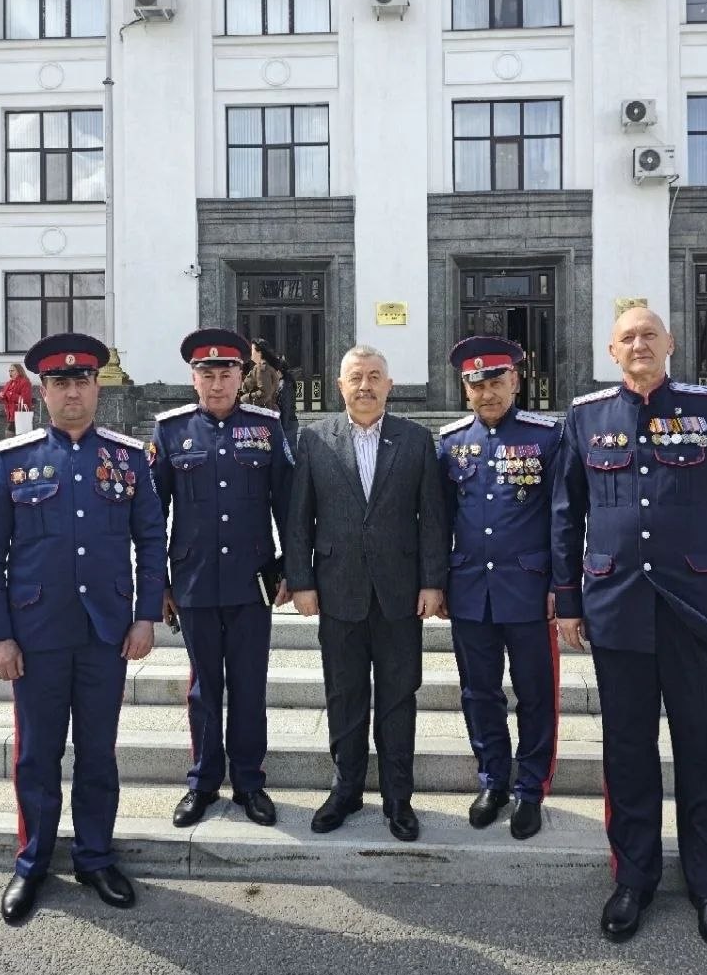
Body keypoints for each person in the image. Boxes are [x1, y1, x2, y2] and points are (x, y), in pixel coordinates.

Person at [551, 306, 707, 954]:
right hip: (617, 609)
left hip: (695, 610)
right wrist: (567, 601)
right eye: (628, 338)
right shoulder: (586, 417)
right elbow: (566, 515)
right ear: (611, 350)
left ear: (669, 343)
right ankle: (633, 878)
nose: (640, 344)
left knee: (704, 750)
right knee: (629, 752)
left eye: (650, 335)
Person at [0, 333, 166, 925]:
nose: (73, 392)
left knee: (99, 753)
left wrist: (144, 615)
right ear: (44, 391)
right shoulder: (13, 459)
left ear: (97, 388)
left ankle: (95, 857)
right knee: (36, 754)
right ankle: (31, 863)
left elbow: (150, 539)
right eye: (61, 383)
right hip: (36, 634)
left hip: (106, 631)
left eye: (84, 381)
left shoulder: (127, 458)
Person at [286, 345, 448, 842]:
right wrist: (302, 582)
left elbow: (433, 520)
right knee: (344, 694)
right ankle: (346, 788)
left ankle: (399, 798)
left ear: (389, 385)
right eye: (356, 377)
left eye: (375, 376)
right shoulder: (315, 440)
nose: (365, 386)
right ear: (340, 386)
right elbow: (299, 519)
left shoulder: (417, 441)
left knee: (399, 697)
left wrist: (432, 582)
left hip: (400, 594)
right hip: (337, 592)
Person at [151, 328, 293, 831]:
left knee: (250, 686)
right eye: (206, 374)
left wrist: (291, 571)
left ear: (241, 376)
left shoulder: (266, 428)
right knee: (203, 689)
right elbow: (153, 518)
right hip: (192, 581)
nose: (216, 384)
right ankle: (204, 782)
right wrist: (158, 586)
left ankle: (250, 782)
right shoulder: (170, 433)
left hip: (252, 580)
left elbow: (288, 505)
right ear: (194, 379)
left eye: (226, 373)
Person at [437, 336, 563, 839]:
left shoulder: (548, 438)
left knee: (536, 694)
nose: (487, 394)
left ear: (515, 380)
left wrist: (562, 583)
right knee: (479, 692)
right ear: (465, 389)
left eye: (496, 382)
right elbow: (441, 519)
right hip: (469, 588)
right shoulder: (450, 442)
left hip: (530, 590)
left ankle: (530, 788)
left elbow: (564, 517)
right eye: (477, 385)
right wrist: (438, 580)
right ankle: (493, 777)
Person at [242, 338, 299, 453]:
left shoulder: (262, 369)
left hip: (278, 421)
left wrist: (244, 398)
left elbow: (265, 394)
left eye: (252, 349)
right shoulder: (260, 368)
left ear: (259, 352)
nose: (250, 352)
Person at [0, 362, 33, 436]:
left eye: (12, 370)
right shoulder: (9, 383)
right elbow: (2, 396)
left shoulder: (24, 382)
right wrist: (0, 395)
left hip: (20, 413)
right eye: (9, 371)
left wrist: (10, 394)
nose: (10, 372)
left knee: (10, 434)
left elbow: (25, 400)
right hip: (10, 415)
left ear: (19, 371)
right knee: (17, 437)